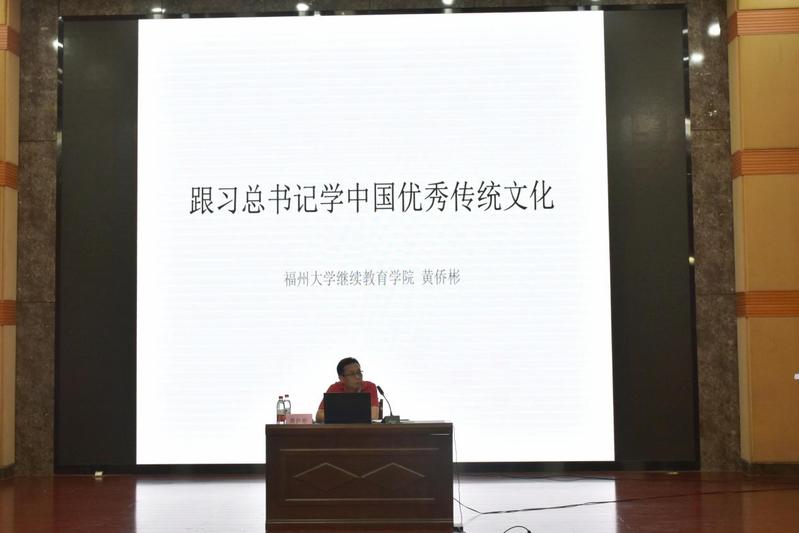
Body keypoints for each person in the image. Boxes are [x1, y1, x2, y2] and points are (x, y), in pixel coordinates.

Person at [315, 357, 379, 423]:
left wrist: (338, 416)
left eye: (359, 372)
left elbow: (374, 416)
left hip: (363, 429)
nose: (357, 377)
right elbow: (319, 416)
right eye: (352, 374)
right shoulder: (334, 388)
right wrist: (354, 416)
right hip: (341, 429)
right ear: (341, 378)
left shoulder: (369, 386)